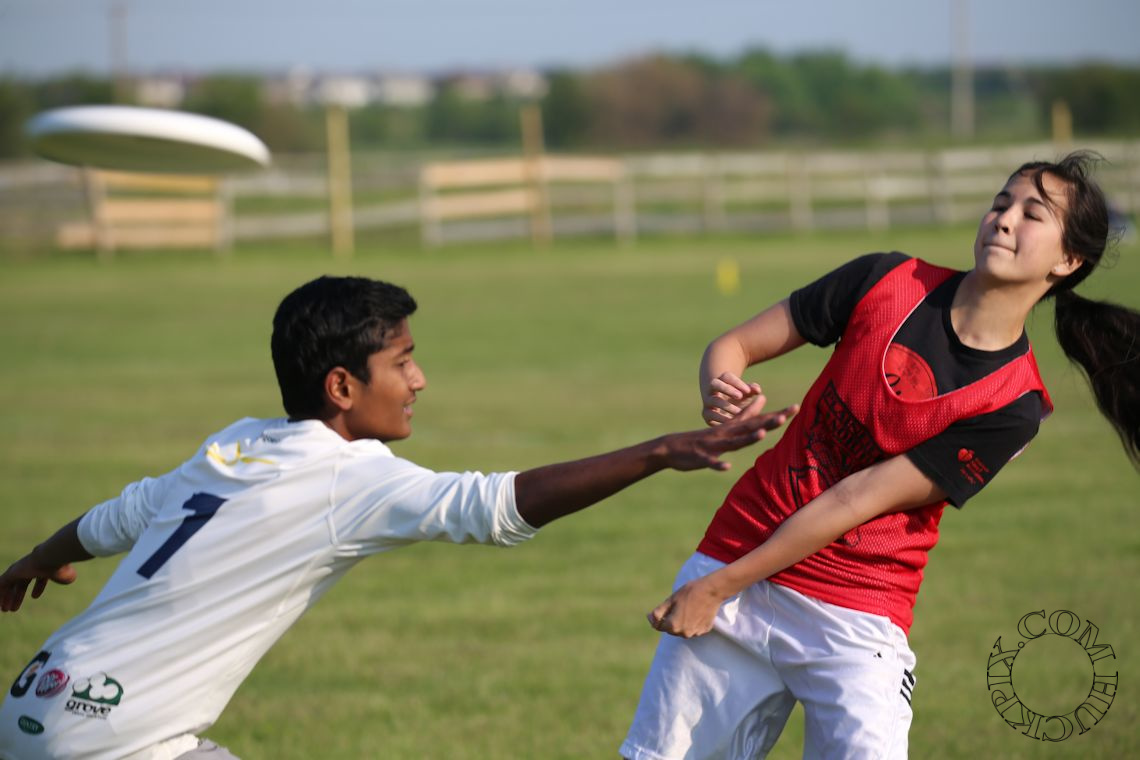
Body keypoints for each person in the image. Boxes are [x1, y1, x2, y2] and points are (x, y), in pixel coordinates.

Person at [0, 275, 796, 760]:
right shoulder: (347, 479)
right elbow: (496, 507)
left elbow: (117, 518)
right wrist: (661, 451)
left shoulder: (235, 444)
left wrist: (37, 557)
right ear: (342, 387)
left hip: (35, 699)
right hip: (119, 738)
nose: (420, 380)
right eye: (403, 361)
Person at [620, 151, 1140, 759]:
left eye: (1033, 214)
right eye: (1001, 203)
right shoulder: (887, 279)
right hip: (739, 554)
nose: (1003, 219)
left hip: (853, 613)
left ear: (1068, 261)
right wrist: (721, 387)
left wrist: (716, 587)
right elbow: (733, 344)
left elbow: (854, 498)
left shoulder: (1014, 406)